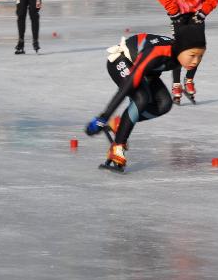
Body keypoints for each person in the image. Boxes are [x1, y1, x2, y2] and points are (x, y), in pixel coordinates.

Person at [85, 23, 207, 172]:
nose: (196, 61)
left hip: (146, 69)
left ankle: (119, 124)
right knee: (141, 98)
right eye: (193, 55)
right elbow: (126, 88)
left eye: (200, 56)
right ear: (181, 49)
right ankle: (117, 147)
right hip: (122, 60)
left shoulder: (179, 53)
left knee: (164, 104)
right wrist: (104, 116)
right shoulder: (158, 53)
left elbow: (168, 68)